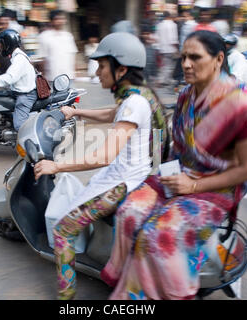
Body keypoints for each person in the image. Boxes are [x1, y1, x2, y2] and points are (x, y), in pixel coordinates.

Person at [101, 30, 247, 300]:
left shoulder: (241, 105)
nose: (186, 64)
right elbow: (179, 147)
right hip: (180, 175)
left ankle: (160, 294)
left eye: (195, 57)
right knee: (128, 211)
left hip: (216, 188)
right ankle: (130, 279)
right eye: (183, 57)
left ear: (218, 59)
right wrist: (168, 175)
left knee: (157, 236)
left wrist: (195, 184)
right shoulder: (186, 95)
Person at [32, 32, 168, 300]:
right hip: (130, 174)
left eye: (102, 66)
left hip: (121, 183)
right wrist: (77, 112)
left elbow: (103, 156)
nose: (97, 72)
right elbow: (112, 113)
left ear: (122, 69)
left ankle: (66, 299)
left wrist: (55, 166)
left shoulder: (134, 102)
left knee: (63, 230)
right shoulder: (138, 95)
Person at [37, 10, 78, 81]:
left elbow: (73, 55)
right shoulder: (44, 36)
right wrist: (43, 76)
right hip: (52, 77)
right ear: (51, 21)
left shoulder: (68, 36)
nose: (60, 21)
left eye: (62, 18)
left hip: (68, 76)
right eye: (57, 19)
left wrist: (74, 72)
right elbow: (42, 58)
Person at [155, 11, 179, 88]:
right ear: (170, 16)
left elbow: (157, 37)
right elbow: (173, 38)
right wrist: (176, 48)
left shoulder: (159, 25)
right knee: (169, 65)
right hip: (170, 48)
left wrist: (158, 47)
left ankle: (164, 80)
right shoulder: (172, 25)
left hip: (162, 48)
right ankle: (162, 81)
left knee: (164, 65)